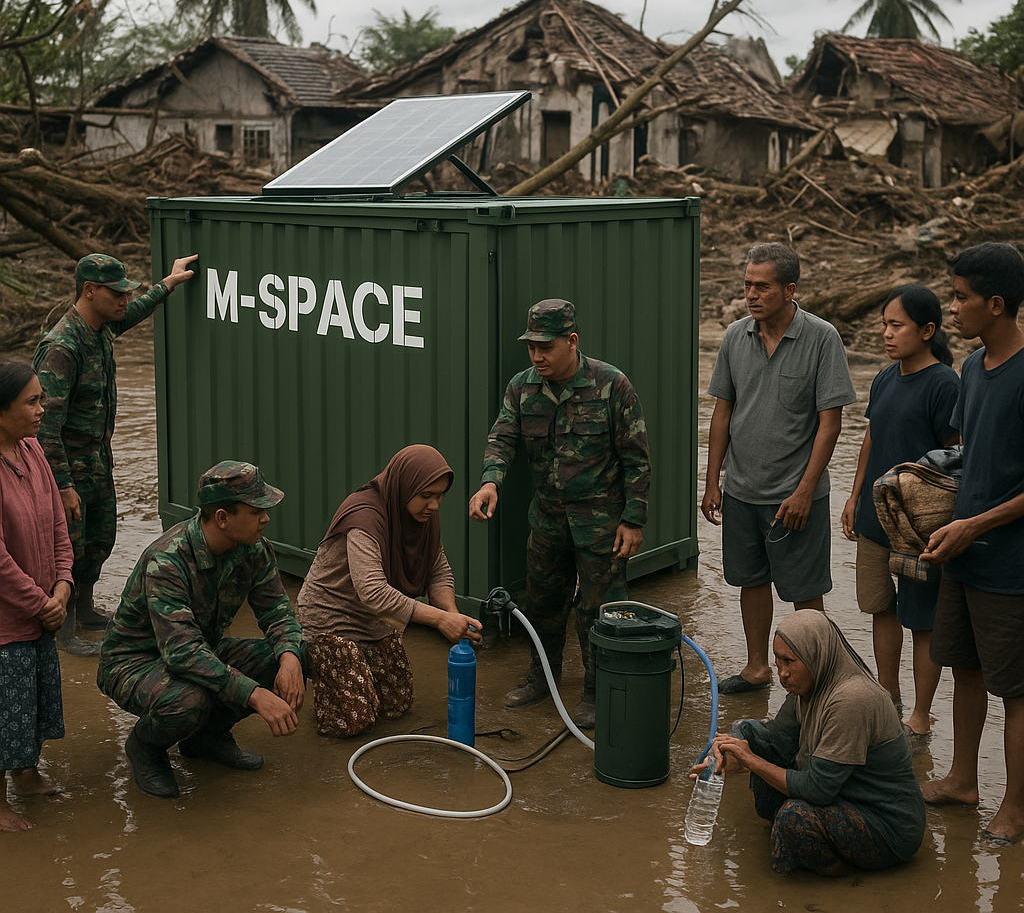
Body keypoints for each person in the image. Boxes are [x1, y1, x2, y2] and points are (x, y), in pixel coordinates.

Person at [468, 298, 650, 728]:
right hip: (547, 520)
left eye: (545, 347)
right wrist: (490, 480)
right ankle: (541, 677)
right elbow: (502, 438)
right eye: (531, 346)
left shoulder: (612, 385)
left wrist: (633, 520)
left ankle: (596, 688)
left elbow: (636, 459)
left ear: (571, 341)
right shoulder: (522, 387)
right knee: (543, 602)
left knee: (599, 609)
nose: (537, 356)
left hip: (602, 524)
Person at [97, 461, 306, 800]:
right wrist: (255, 694)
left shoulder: (254, 550)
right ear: (222, 518)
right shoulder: (168, 561)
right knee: (187, 702)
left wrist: (290, 657)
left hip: (198, 650)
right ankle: (145, 747)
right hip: (133, 662)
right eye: (256, 510)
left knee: (280, 658)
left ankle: (206, 738)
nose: (266, 518)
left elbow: (277, 612)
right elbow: (181, 651)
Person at [701, 243, 856, 694]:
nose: (751, 294)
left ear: (790, 290)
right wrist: (713, 481)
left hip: (795, 494)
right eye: (747, 284)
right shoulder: (735, 337)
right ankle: (757, 668)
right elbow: (723, 413)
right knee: (751, 581)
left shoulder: (822, 338)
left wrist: (806, 490)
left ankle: (818, 678)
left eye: (762, 286)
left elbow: (831, 424)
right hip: (742, 489)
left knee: (805, 592)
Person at [34, 251, 198, 655]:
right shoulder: (62, 347)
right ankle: (64, 630)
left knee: (100, 538)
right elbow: (43, 428)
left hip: (97, 462)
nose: (125, 299)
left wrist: (169, 283)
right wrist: (63, 486)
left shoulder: (101, 328)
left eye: (126, 292)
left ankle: (86, 610)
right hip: (67, 470)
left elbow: (136, 311)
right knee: (67, 548)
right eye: (116, 292)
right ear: (89, 290)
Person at [920, 242, 1024, 845]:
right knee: (963, 666)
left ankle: (1015, 804)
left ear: (997, 303)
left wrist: (976, 525)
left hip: (1010, 562)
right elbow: (967, 455)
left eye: (960, 297)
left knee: (1016, 689)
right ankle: (962, 780)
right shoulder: (969, 369)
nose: (952, 307)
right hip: (962, 551)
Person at [693, 610, 925, 876]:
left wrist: (751, 761)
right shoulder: (810, 686)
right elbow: (774, 740)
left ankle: (843, 873)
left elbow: (818, 790)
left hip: (886, 825)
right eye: (777, 661)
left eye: (790, 662)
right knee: (747, 732)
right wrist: (732, 754)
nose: (782, 674)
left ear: (817, 656)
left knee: (794, 818)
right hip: (843, 796)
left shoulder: (851, 701)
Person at [297, 445, 483, 737]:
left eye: (440, 496)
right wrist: (438, 620)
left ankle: (351, 668)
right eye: (426, 495)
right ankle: (313, 660)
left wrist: (453, 615)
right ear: (405, 486)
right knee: (353, 720)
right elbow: (372, 591)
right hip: (330, 619)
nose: (434, 505)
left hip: (374, 620)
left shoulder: (421, 516)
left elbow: (438, 570)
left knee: (397, 705)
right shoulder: (364, 517)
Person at [841, 285, 959, 739]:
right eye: (884, 325)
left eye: (897, 326)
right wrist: (855, 497)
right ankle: (886, 697)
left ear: (927, 331)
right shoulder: (887, 377)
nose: (887, 335)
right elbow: (872, 439)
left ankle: (921, 717)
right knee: (880, 609)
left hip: (919, 528)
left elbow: (954, 459)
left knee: (921, 620)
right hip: (877, 517)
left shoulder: (945, 385)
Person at [0, 361, 75, 832]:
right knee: (5, 709)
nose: (41, 409)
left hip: (45, 608)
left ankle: (26, 775)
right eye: (31, 401)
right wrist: (40, 602)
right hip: (10, 619)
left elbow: (57, 529)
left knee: (36, 699)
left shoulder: (32, 451)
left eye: (41, 398)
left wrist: (63, 588)